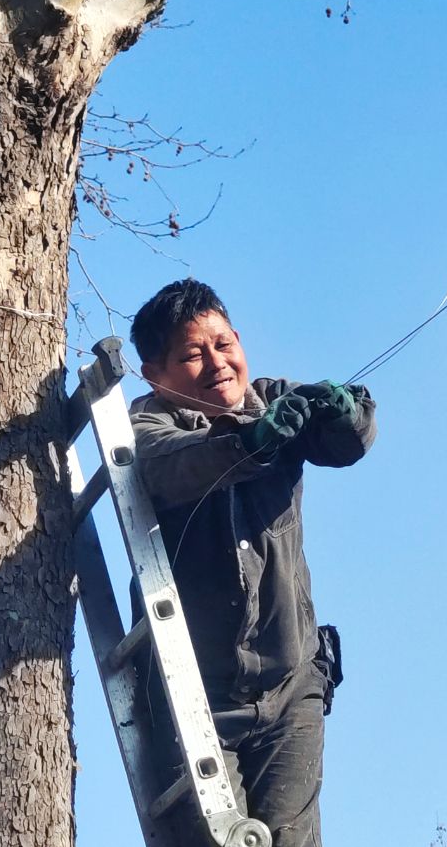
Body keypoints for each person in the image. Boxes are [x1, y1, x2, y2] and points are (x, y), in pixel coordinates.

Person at [126, 278, 376, 847]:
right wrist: (252, 441)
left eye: (223, 343)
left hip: (291, 687)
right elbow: (173, 466)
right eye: (193, 354)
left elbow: (350, 442)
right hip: (195, 700)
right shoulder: (145, 428)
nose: (217, 362)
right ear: (155, 377)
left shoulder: (273, 397)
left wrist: (345, 414)